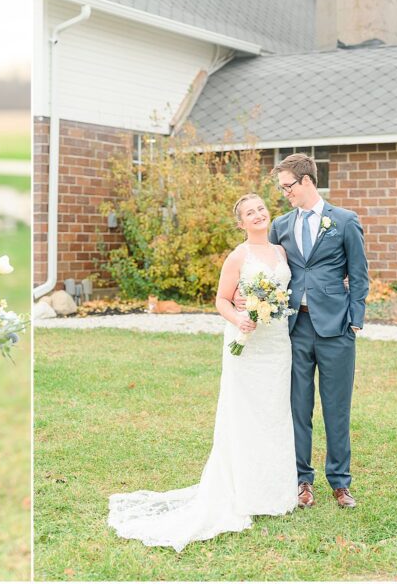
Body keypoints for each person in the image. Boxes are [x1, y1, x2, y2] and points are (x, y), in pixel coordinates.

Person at [107, 194, 297, 551]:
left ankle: (274, 491)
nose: (257, 215)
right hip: (246, 342)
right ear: (240, 223)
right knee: (244, 414)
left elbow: (284, 294)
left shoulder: (282, 253)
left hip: (276, 344)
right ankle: (242, 491)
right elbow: (221, 300)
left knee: (274, 413)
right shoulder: (238, 256)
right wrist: (240, 316)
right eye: (249, 213)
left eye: (260, 209)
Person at [267, 152, 368, 509]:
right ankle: (302, 481)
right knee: (298, 406)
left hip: (337, 327)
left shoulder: (344, 221)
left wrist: (355, 317)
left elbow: (358, 274)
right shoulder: (280, 225)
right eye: (282, 189)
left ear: (306, 181)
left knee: (337, 408)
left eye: (288, 187)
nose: (285, 194)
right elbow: (270, 272)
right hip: (295, 327)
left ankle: (340, 484)